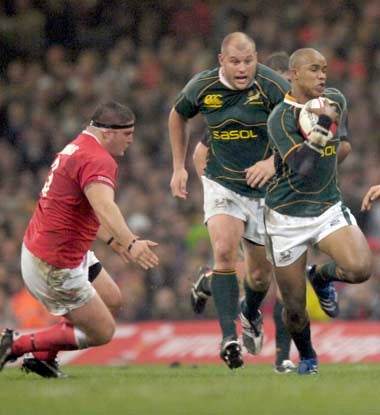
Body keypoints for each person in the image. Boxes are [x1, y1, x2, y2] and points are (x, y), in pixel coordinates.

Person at [0, 100, 159, 377]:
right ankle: (16, 344)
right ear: (108, 132)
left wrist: (113, 241)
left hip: (56, 249)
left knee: (112, 298)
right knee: (103, 331)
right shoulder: (98, 158)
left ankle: (43, 358)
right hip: (55, 263)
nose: (131, 141)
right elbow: (104, 206)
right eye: (127, 134)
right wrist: (131, 242)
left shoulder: (77, 146)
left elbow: (80, 208)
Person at [169, 32, 290, 369]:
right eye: (235, 61)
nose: (242, 68)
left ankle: (248, 312)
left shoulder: (273, 85)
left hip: (265, 188)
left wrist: (271, 163)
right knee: (223, 250)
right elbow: (177, 115)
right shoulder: (202, 87)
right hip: (223, 183)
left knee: (260, 277)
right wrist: (179, 167)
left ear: (257, 58)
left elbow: (297, 128)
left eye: (248, 61)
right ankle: (228, 338)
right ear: (222, 60)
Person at [265, 48, 372, 375]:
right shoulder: (279, 118)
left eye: (324, 69)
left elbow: (344, 146)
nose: (322, 76)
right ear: (294, 74)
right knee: (294, 309)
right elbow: (301, 166)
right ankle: (308, 356)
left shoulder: (335, 99)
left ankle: (320, 276)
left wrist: (327, 137)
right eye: (314, 69)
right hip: (285, 217)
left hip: (326, 208)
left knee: (360, 269)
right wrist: (323, 124)